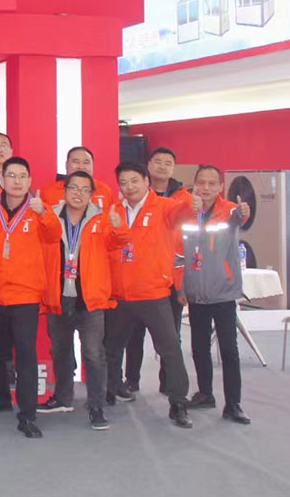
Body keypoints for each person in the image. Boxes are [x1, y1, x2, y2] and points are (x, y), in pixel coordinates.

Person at [103, 161, 195, 428]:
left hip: (153, 294)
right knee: (111, 349)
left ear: (146, 181)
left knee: (169, 350)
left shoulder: (164, 207)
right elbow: (106, 245)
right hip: (119, 295)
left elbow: (183, 214)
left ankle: (178, 403)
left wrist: (194, 204)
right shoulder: (113, 210)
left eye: (134, 181)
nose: (129, 187)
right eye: (123, 182)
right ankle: (110, 389)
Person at [0, 156, 59, 439]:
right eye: (12, 176)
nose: (17, 181)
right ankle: (0, 398)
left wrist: (44, 213)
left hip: (25, 295)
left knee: (25, 355)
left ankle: (28, 415)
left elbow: (54, 235)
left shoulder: (38, 209)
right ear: (2, 179)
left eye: (23, 176)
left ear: (30, 181)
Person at [39, 170, 116, 432]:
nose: (78, 193)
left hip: (90, 297)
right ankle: (63, 398)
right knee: (60, 350)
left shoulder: (101, 219)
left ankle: (96, 406)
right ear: (65, 190)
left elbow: (117, 242)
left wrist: (119, 227)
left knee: (93, 354)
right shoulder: (50, 216)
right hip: (58, 295)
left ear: (92, 194)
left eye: (85, 190)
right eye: (74, 188)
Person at [181, 165, 251, 424]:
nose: (206, 188)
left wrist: (244, 211)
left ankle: (233, 404)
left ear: (221, 186)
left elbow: (240, 216)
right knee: (199, 348)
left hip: (223, 293)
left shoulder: (229, 210)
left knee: (229, 350)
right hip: (196, 293)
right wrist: (181, 287)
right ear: (194, 184)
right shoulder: (185, 211)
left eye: (212, 183)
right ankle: (205, 394)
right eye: (202, 182)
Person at [122, 146, 191, 395]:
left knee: (170, 338)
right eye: (158, 161)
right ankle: (131, 380)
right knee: (133, 336)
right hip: (137, 281)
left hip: (169, 279)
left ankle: (170, 386)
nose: (162, 166)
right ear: (148, 166)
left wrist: (182, 283)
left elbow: (185, 233)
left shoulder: (181, 198)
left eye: (168, 163)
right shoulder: (127, 200)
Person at [38, 146, 115, 210]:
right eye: (76, 162)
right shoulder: (48, 192)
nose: (81, 167)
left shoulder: (105, 191)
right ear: (66, 165)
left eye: (86, 162)